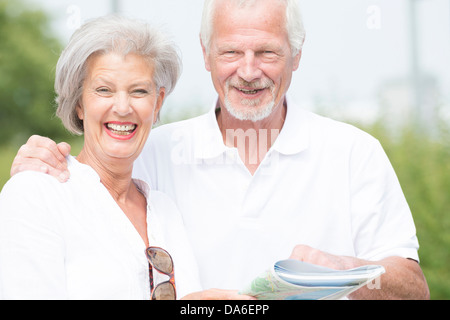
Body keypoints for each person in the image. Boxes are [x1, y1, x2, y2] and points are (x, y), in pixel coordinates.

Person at [9, 0, 429, 299]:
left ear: (296, 56)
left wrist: (341, 271)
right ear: (206, 55)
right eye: (231, 52)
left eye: (267, 52)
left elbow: (414, 290)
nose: (248, 71)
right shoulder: (151, 154)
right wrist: (37, 169)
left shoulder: (354, 152)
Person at [0, 15, 251, 300]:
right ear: (79, 103)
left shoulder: (164, 210)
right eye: (104, 89)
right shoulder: (37, 195)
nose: (122, 107)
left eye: (139, 91)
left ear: (157, 104)